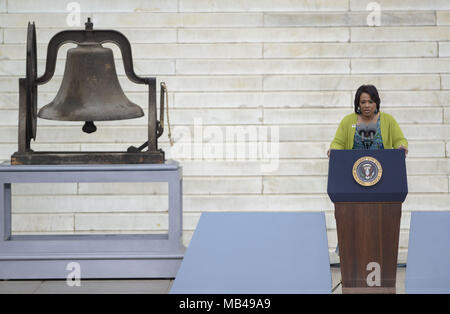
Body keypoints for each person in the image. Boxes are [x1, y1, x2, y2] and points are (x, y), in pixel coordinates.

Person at [328, 84, 408, 157]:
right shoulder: (347, 120)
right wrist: (334, 149)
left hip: (383, 165)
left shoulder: (388, 120)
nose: (367, 105)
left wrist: (401, 147)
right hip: (353, 166)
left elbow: (399, 140)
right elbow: (338, 142)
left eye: (370, 102)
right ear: (358, 104)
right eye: (363, 102)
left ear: (376, 103)